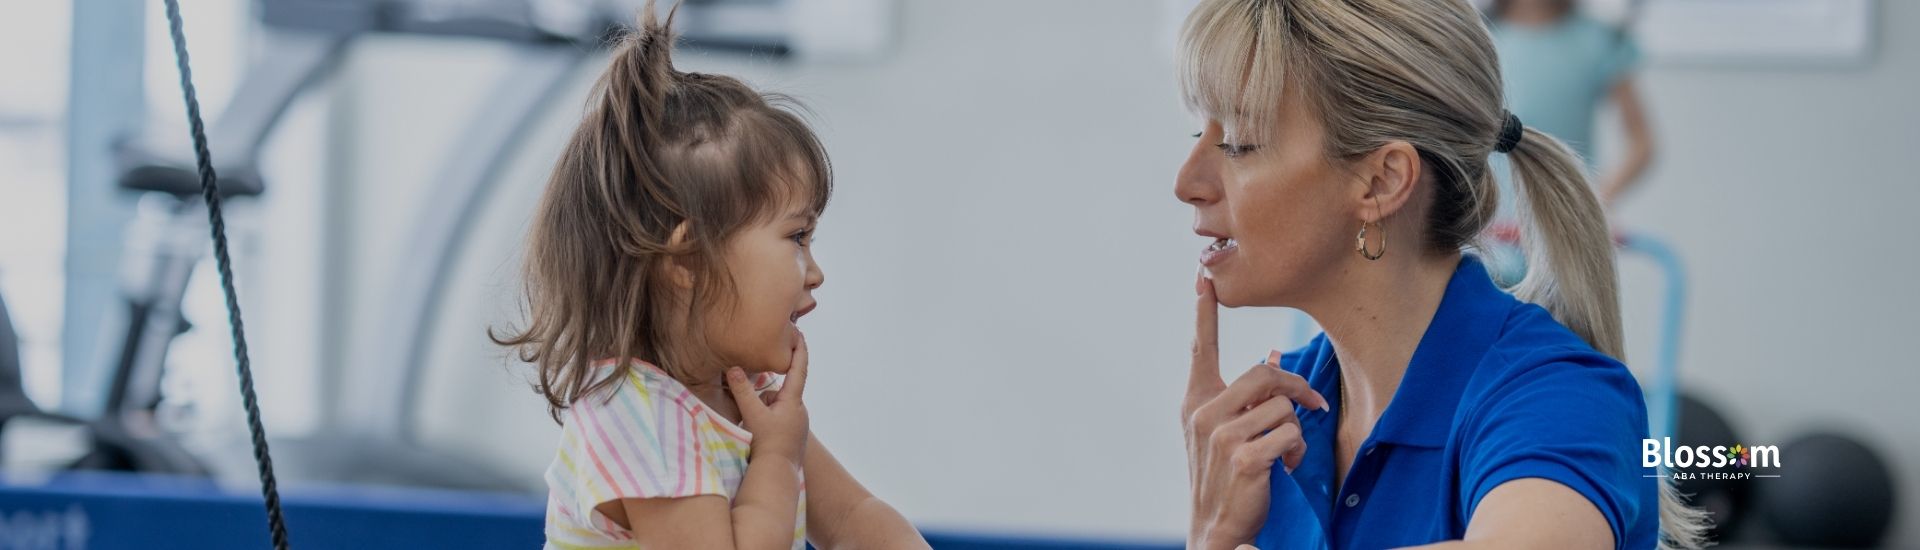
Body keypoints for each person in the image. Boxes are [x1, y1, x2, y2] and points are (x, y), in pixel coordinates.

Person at [1170, 0, 1706, 548]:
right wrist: (1209, 533)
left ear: (1382, 182)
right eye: (1198, 138)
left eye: (1238, 143)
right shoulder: (1268, 424)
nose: (1187, 182)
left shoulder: (1558, 396)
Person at [491, 4, 928, 549]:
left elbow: (850, 518)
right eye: (796, 237)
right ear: (688, 261)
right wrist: (774, 457)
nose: (815, 273)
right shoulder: (637, 416)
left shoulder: (747, 397)